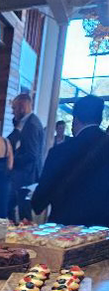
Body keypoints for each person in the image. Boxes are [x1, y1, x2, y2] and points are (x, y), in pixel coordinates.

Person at [31, 94, 109, 225]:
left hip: (66, 230)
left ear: (75, 119)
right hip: (104, 230)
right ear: (100, 119)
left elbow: (38, 203)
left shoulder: (60, 152)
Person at [7, 94, 44, 220]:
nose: (12, 112)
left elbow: (31, 154)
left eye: (14, 108)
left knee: (24, 214)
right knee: (11, 207)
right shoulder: (26, 123)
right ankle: (14, 229)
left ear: (22, 107)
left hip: (26, 177)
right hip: (23, 176)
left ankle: (19, 231)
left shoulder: (32, 125)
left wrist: (11, 160)